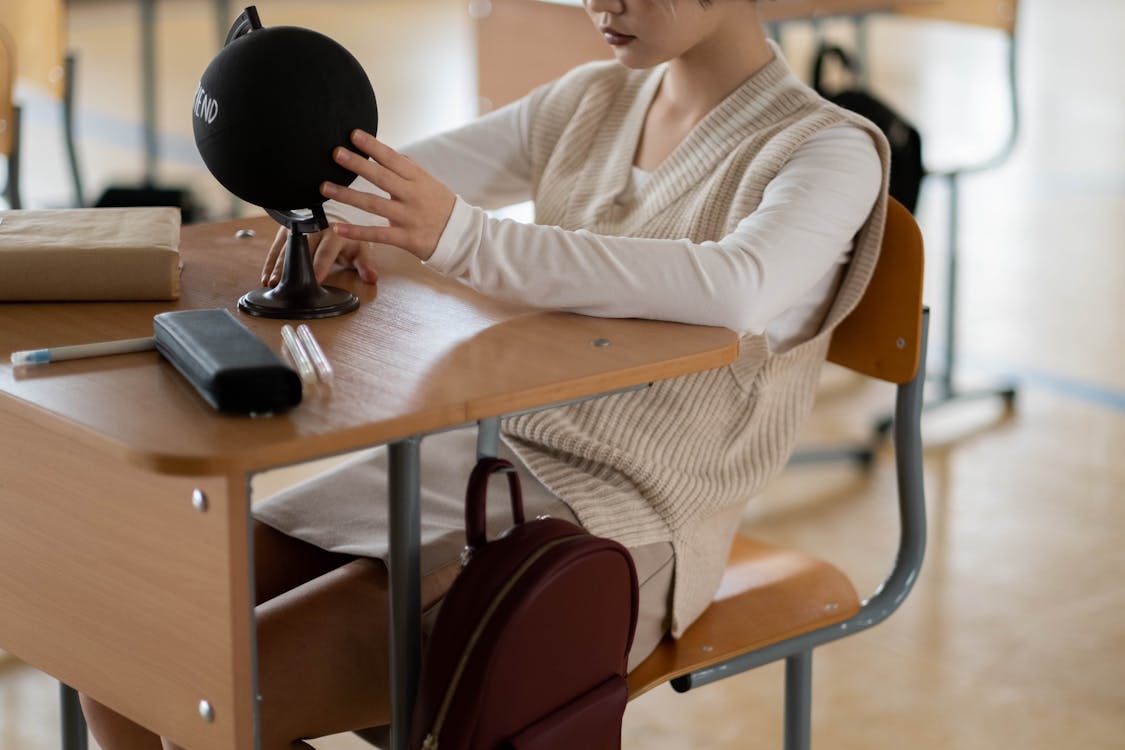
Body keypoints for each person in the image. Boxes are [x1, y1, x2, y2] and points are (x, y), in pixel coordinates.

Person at [80, 0, 889, 747]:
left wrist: (458, 238)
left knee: (201, 690)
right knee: (112, 642)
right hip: (476, 457)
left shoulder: (827, 148)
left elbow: (735, 287)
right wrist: (319, 176)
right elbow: (388, 187)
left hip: (625, 517)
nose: (597, 3)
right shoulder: (590, 100)